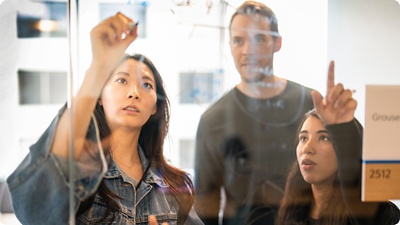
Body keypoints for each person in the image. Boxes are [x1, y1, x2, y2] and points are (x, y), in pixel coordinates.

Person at [7, 12, 203, 225]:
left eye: (146, 84)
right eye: (121, 80)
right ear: (100, 97)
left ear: (155, 106)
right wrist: (98, 68)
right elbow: (32, 208)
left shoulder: (174, 186)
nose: (134, 92)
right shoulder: (81, 177)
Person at [194, 1, 314, 224]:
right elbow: (205, 209)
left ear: (277, 42)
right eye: (238, 41)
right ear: (229, 45)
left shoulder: (310, 103)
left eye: (259, 38)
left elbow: (339, 183)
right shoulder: (213, 120)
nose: (247, 51)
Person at [275, 61, 400, 225]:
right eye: (303, 138)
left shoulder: (369, 213)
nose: (307, 148)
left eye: (323, 137)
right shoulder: (289, 210)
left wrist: (341, 128)